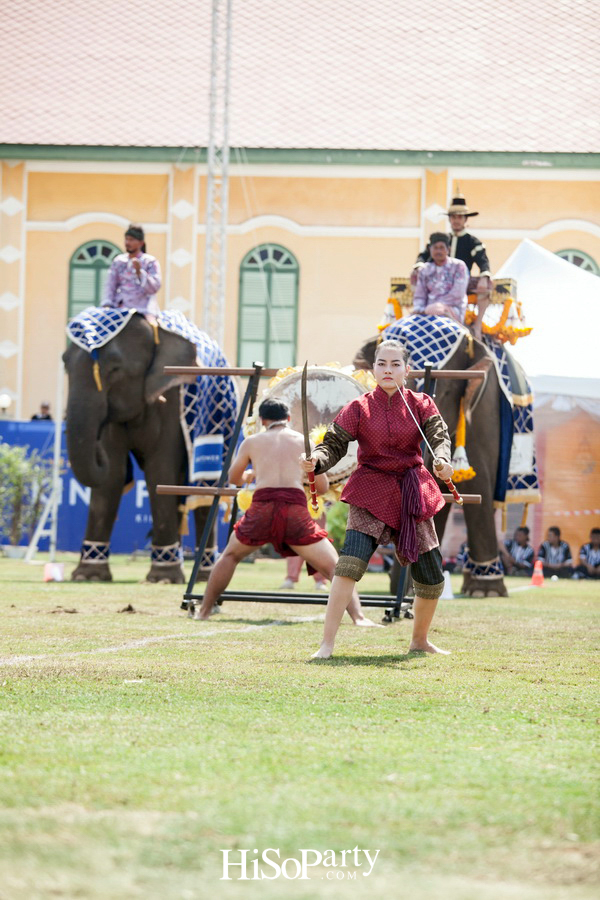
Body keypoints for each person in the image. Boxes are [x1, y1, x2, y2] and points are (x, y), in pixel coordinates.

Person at [302, 339, 454, 658]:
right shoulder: (359, 407)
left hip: (413, 491)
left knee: (431, 573)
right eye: (382, 364)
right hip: (371, 488)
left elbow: (439, 438)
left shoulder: (422, 403)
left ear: (406, 370)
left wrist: (442, 460)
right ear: (373, 369)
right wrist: (316, 459)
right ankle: (326, 644)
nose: (388, 370)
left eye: (395, 364)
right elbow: (333, 443)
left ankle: (419, 640)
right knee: (349, 564)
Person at [195, 398, 377, 626]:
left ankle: (203, 611)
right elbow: (321, 488)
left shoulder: (252, 442)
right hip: (294, 509)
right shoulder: (304, 441)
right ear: (288, 419)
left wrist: (251, 476)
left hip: (261, 507)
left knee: (230, 556)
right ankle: (358, 617)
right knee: (334, 567)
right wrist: (302, 478)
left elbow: (233, 478)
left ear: (263, 420)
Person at [102, 224, 162, 315]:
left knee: (153, 326)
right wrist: (107, 303)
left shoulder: (150, 261)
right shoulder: (119, 261)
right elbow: (110, 285)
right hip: (120, 307)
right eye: (126, 239)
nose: (127, 243)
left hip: (144, 308)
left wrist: (140, 272)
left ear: (141, 243)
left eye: (131, 240)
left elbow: (154, 288)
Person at [412, 232, 470, 324]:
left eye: (441, 248)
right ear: (430, 250)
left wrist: (438, 306)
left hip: (451, 310)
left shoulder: (459, 266)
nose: (438, 251)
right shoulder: (425, 269)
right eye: (435, 248)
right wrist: (420, 309)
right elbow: (420, 295)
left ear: (448, 250)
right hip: (427, 311)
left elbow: (457, 294)